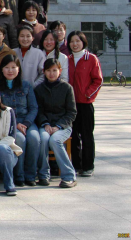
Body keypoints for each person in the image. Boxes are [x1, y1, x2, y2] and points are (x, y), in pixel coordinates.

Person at [35, 59, 78, 188]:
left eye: (54, 70)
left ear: (60, 71)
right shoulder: (39, 89)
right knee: (43, 139)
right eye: (48, 70)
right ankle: (43, 175)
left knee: (55, 140)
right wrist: (45, 124)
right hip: (46, 125)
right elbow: (39, 111)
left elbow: (72, 112)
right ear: (44, 72)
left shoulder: (67, 88)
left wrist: (58, 126)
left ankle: (69, 176)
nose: (51, 73)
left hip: (63, 126)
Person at [0, 54, 39, 187]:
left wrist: (26, 124)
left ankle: (31, 175)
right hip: (9, 123)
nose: (10, 70)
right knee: (20, 139)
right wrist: (15, 124)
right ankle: (19, 176)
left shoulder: (26, 85)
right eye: (7, 67)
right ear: (2, 69)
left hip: (27, 122)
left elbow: (33, 108)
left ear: (18, 69)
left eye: (13, 67)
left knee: (34, 138)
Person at [68, 30, 103, 177]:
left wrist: (87, 94)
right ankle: (76, 165)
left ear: (83, 42)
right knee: (73, 136)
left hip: (86, 104)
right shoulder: (67, 59)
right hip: (71, 105)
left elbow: (98, 80)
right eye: (72, 41)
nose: (75, 44)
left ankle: (88, 165)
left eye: (78, 41)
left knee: (87, 135)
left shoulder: (91, 59)